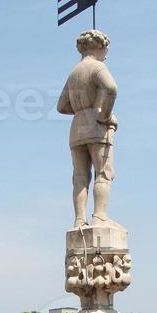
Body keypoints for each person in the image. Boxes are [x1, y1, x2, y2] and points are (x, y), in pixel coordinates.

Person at [57, 30, 119, 228]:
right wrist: (105, 114)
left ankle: (79, 220)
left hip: (77, 127)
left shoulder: (74, 73)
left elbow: (61, 106)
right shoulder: (97, 67)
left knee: (80, 177)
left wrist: (80, 110)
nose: (106, 55)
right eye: (106, 50)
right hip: (97, 125)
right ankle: (100, 216)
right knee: (103, 173)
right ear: (99, 47)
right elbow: (111, 88)